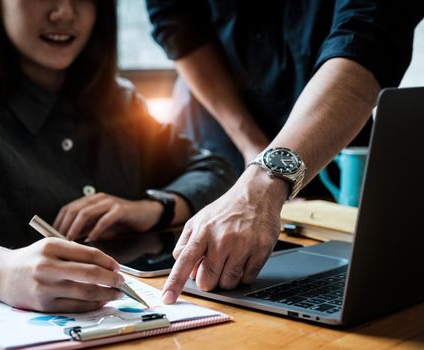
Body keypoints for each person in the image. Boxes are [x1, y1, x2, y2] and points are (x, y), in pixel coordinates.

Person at [0, 0, 235, 313]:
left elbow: (215, 170)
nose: (64, 13)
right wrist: (0, 272)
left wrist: (153, 209)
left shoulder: (121, 103)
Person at [146, 0, 424, 304]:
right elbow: (179, 29)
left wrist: (263, 181)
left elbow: (369, 34)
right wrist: (254, 155)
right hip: (222, 132)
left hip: (330, 125)